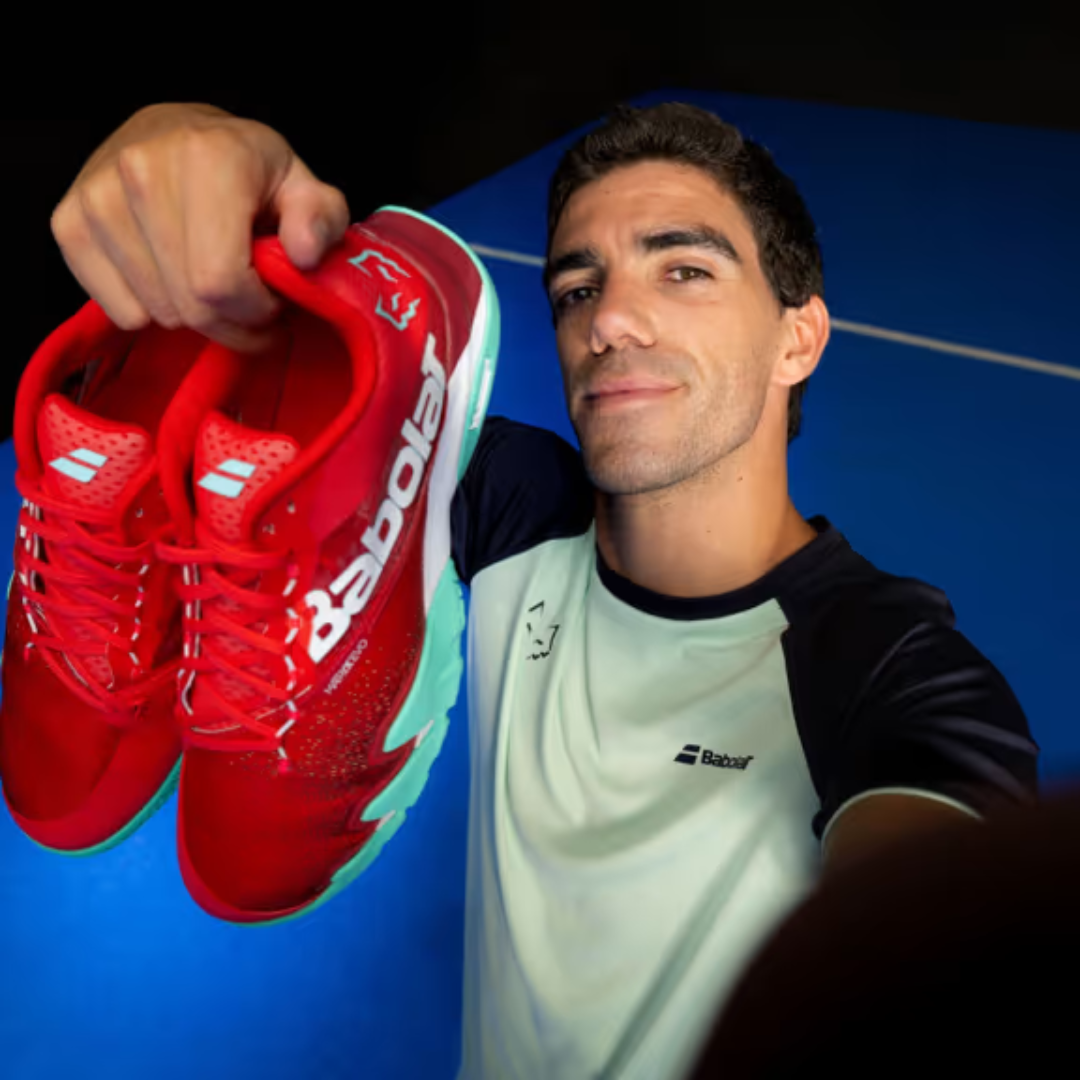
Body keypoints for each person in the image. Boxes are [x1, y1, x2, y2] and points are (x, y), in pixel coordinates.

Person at [48, 100, 1040, 1079]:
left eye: (684, 270)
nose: (608, 319)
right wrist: (184, 148)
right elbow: (294, 396)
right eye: (577, 288)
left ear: (799, 339)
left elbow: (922, 935)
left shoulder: (889, 668)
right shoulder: (512, 511)